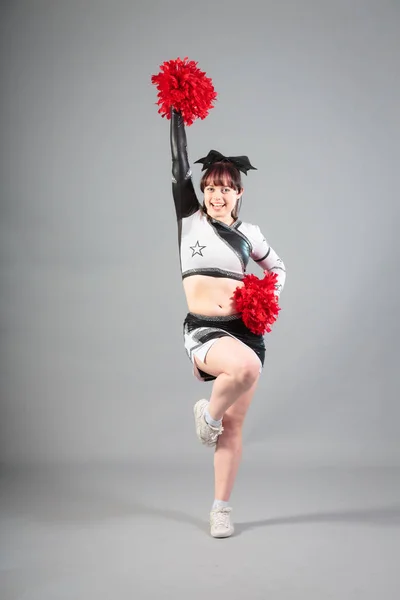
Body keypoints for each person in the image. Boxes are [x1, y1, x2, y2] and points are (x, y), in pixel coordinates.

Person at [169, 108, 286, 538]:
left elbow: (279, 269)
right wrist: (177, 109)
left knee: (235, 425)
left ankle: (220, 508)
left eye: (226, 189)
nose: (217, 195)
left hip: (245, 331)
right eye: (211, 187)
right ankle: (208, 415)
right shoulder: (189, 220)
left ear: (239, 194)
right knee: (246, 370)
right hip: (204, 329)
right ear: (202, 191)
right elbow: (178, 162)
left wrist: (265, 299)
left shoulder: (251, 233)